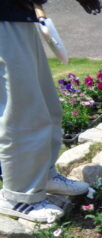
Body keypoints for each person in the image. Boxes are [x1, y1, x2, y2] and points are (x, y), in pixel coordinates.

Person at [0, 0, 96, 223]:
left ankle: (43, 176)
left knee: (47, 104)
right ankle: (18, 195)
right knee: (22, 113)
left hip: (17, 14)